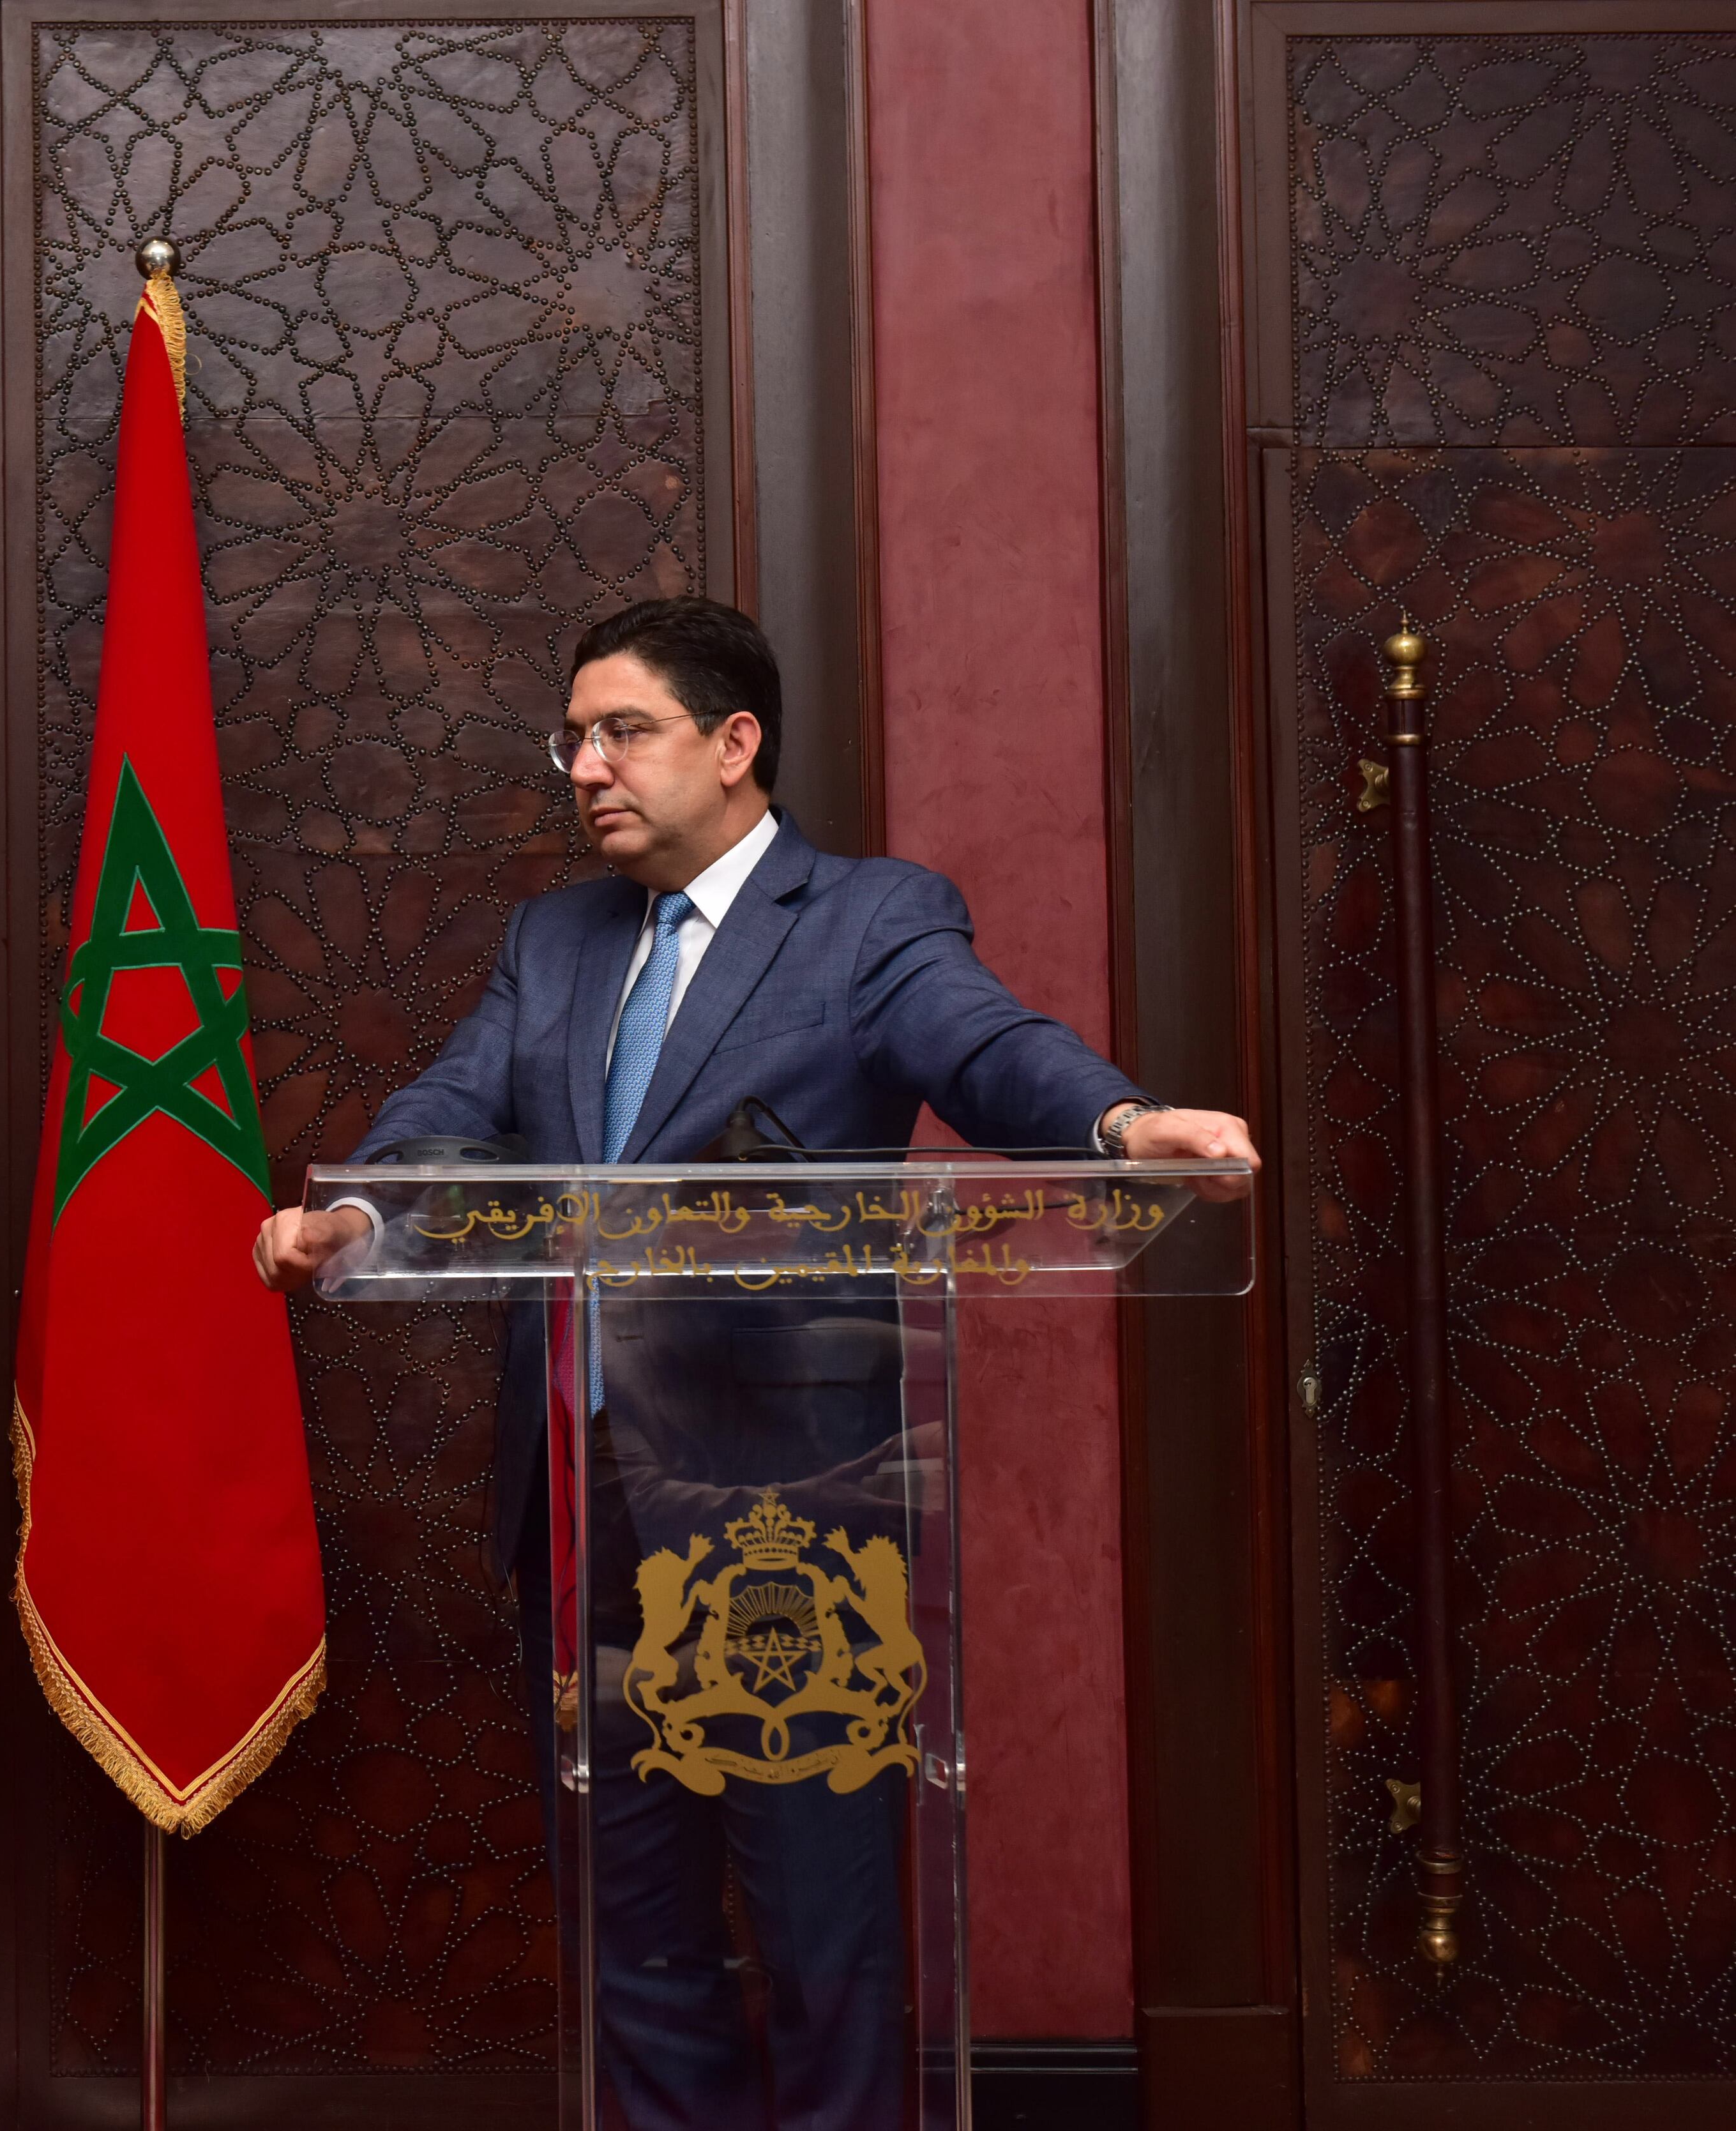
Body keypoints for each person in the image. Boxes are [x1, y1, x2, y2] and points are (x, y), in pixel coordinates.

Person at [253, 597, 1257, 2130]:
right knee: (633, 1921)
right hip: (582, 1502)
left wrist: (1121, 1128)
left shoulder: (867, 918)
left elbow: (982, 1045)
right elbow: (454, 1111)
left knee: (820, 1930)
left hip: (791, 1515)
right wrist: (357, 1211)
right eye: (573, 738)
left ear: (735, 745)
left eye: (622, 731)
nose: (586, 766)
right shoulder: (555, 939)